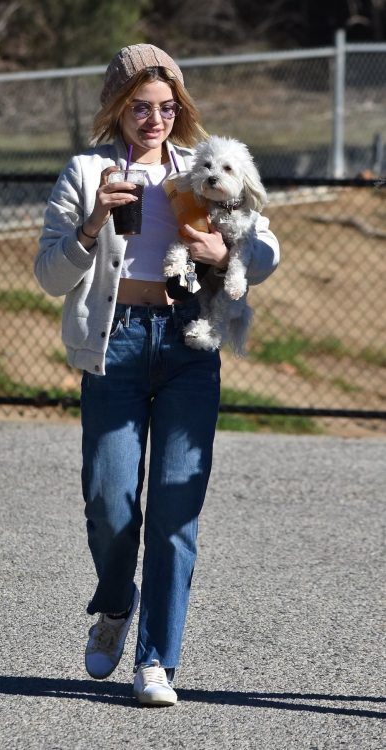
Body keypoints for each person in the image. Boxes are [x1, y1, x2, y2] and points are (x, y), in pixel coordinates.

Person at [35, 44, 279, 707]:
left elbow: (267, 246)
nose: (156, 120)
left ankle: (156, 662)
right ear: (119, 106)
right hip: (113, 348)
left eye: (167, 108)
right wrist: (91, 226)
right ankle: (117, 605)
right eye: (141, 108)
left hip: (187, 347)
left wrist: (227, 250)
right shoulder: (87, 171)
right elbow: (49, 273)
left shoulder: (201, 165)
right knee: (110, 502)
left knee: (177, 510)